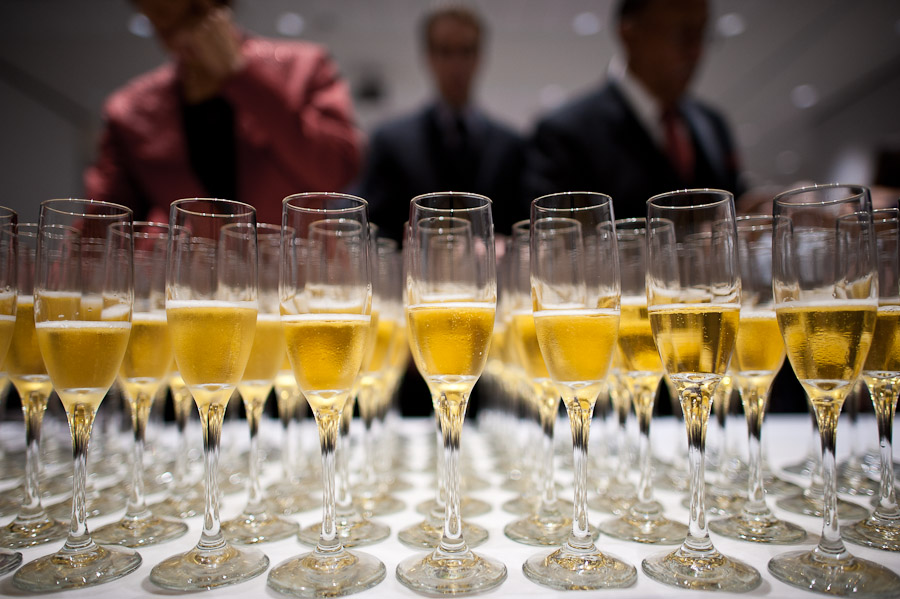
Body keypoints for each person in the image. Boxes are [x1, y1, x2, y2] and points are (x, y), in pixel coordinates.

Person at [84, 0, 361, 225]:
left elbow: (336, 172)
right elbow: (104, 223)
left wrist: (243, 76)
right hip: (195, 283)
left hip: (300, 280)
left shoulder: (304, 66)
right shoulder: (131, 109)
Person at [527, 0, 743, 221]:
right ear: (629, 34)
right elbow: (560, 240)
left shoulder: (712, 123)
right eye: (682, 33)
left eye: (702, 33)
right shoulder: (565, 132)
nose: (696, 51)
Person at [353, 5, 527, 244]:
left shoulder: (512, 145)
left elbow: (521, 227)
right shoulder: (390, 140)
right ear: (428, 57)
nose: (456, 65)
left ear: (479, 56)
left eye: (466, 51)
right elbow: (374, 226)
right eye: (445, 51)